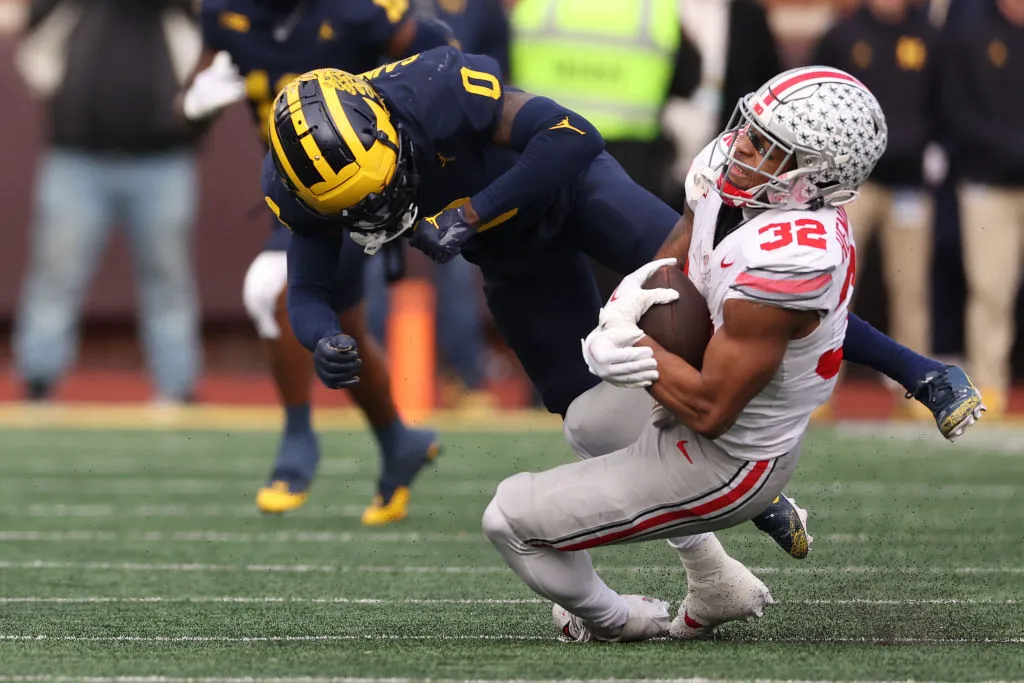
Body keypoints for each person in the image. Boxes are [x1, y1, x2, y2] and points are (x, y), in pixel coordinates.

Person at [261, 48, 985, 559]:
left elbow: (572, 137)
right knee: (588, 413)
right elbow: (308, 289)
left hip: (568, 191)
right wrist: (321, 337)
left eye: (384, 185)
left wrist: (475, 212)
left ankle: (924, 372)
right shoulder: (307, 176)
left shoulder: (437, 89)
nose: (382, 205)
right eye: (359, 204)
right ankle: (739, 507)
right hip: (514, 258)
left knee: (718, 293)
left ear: (389, 129)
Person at [480, 66, 935, 643]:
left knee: (507, 518)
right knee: (589, 421)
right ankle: (715, 578)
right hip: (711, 393)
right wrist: (632, 301)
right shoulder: (735, 172)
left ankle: (619, 619)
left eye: (768, 146)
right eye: (751, 127)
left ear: (812, 178)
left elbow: (710, 410)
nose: (740, 145)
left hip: (731, 457)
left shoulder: (793, 261)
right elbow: (676, 264)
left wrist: (631, 340)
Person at [178, 0, 453, 523]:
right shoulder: (224, 15)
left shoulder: (362, 13)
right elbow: (186, 115)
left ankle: (298, 436)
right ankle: (398, 442)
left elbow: (445, 63)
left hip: (368, 188)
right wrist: (196, 105)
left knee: (273, 289)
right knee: (340, 323)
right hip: (297, 194)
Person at [13, 0, 204, 404]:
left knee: (168, 280)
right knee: (55, 275)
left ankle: (177, 385)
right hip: (77, 158)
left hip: (162, 160)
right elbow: (21, 18)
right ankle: (38, 380)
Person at [813, 0, 943, 413]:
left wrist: (935, 149)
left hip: (909, 183)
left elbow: (945, 99)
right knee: (832, 284)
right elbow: (817, 100)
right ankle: (818, 389)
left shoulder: (928, 35)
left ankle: (920, 390)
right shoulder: (843, 34)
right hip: (851, 185)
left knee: (911, 289)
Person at [941, 0, 1024, 416]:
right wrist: (1010, 149)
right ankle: (990, 386)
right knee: (991, 290)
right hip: (987, 183)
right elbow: (955, 109)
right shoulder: (970, 29)